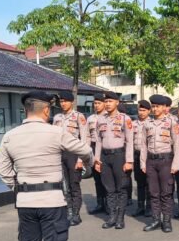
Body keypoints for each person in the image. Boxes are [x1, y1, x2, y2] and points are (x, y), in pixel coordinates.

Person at [0, 91, 93, 241]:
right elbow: (86, 150)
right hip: (52, 201)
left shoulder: (10, 136)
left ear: (25, 110)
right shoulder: (56, 132)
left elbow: (3, 172)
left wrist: (20, 188)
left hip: (25, 203)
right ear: (47, 110)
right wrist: (88, 166)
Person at [141, 94, 179, 233]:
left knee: (166, 193)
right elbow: (143, 145)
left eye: (157, 106)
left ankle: (166, 221)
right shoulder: (147, 124)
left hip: (166, 161)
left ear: (164, 107)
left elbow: (177, 145)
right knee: (153, 192)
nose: (155, 109)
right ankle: (156, 220)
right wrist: (143, 163)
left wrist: (175, 164)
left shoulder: (171, 123)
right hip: (151, 161)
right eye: (153, 106)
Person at [95, 92, 134, 229]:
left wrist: (129, 161)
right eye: (106, 101)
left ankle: (120, 218)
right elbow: (99, 141)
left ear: (117, 102)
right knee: (109, 188)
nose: (107, 104)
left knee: (121, 188)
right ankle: (111, 216)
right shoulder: (100, 119)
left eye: (110, 101)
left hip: (119, 156)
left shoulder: (125, 119)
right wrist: (97, 159)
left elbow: (130, 141)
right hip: (105, 157)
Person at [52, 92, 90, 226]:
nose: (63, 104)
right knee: (63, 186)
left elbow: (85, 139)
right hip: (60, 154)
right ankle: (68, 212)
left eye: (66, 101)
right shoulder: (57, 117)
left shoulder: (79, 117)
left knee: (74, 185)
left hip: (74, 154)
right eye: (61, 101)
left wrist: (81, 160)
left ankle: (76, 214)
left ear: (72, 102)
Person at [87, 94, 108, 215]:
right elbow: (88, 136)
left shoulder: (108, 117)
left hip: (105, 148)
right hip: (94, 148)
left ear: (105, 104)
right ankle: (100, 203)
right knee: (97, 178)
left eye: (99, 103)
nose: (96, 105)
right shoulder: (90, 118)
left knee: (106, 178)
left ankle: (109, 204)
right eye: (95, 103)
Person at [133, 100, 152, 217]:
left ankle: (149, 207)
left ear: (149, 111)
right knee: (140, 182)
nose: (142, 112)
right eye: (140, 110)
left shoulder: (152, 123)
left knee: (149, 182)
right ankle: (140, 206)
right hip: (136, 154)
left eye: (144, 110)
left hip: (149, 157)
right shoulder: (133, 124)